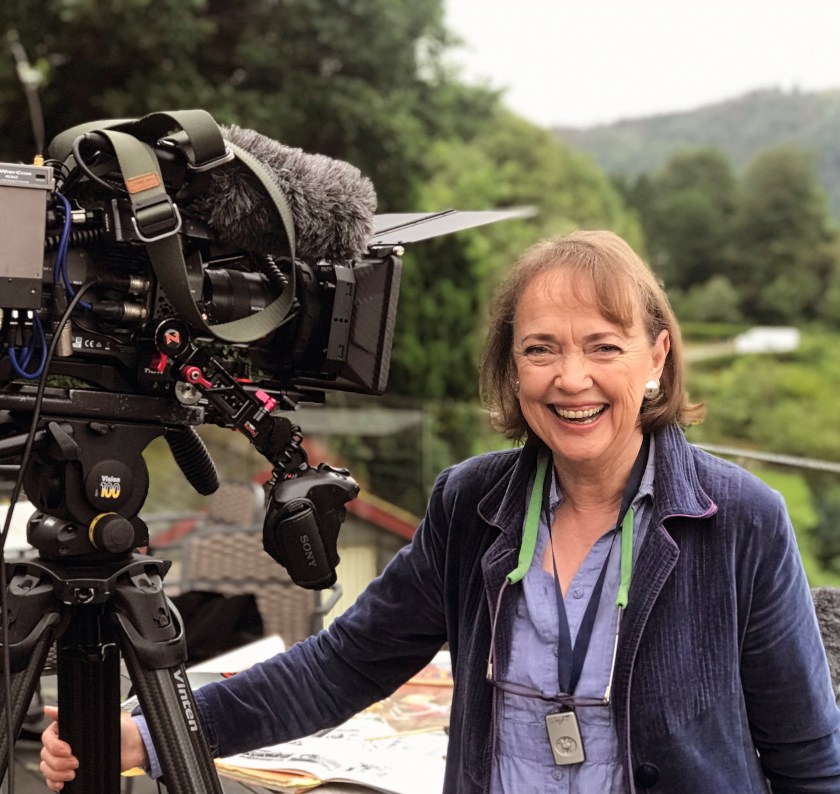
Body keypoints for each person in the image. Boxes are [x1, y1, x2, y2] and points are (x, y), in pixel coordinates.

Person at [41, 230, 840, 792]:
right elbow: (343, 663)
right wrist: (148, 730)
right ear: (509, 368)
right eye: (540, 348)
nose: (572, 379)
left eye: (604, 346)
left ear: (657, 357)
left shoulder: (739, 520)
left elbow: (808, 758)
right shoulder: (473, 504)